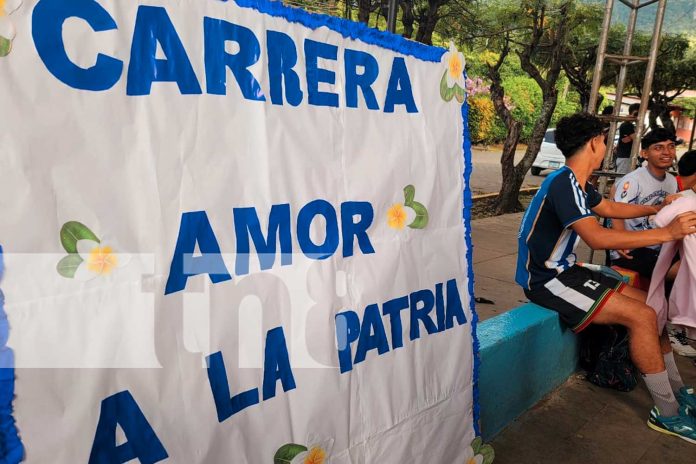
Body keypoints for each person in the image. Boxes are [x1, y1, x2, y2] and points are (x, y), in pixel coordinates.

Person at [516, 113, 696, 443]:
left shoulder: (577, 183)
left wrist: (655, 210)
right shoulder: (563, 183)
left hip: (567, 271)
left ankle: (679, 390)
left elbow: (611, 209)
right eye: (604, 139)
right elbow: (598, 238)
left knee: (652, 305)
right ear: (594, 143)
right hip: (547, 280)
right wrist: (667, 232)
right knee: (642, 316)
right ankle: (667, 413)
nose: (606, 145)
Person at [610, 128, 679, 279]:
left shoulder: (672, 181)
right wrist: (621, 242)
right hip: (632, 249)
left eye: (671, 146)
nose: (667, 152)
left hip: (657, 245)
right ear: (645, 153)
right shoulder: (634, 180)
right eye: (658, 148)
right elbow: (615, 212)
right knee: (682, 272)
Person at [615, 103, 641, 174]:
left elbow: (634, 138)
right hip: (625, 157)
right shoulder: (627, 125)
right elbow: (636, 138)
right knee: (620, 179)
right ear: (630, 113)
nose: (637, 116)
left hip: (626, 156)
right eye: (636, 114)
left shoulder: (630, 125)